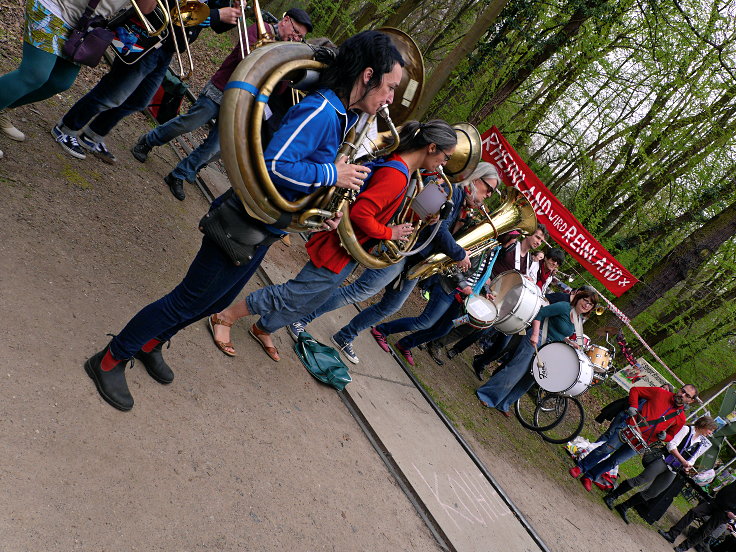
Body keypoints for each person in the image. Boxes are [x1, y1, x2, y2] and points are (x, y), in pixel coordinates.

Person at [83, 30, 405, 410]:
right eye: (389, 87)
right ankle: (110, 358)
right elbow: (275, 165)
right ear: (367, 75)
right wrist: (333, 176)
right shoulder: (322, 109)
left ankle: (150, 343)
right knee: (185, 300)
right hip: (241, 220)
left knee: (211, 302)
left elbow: (304, 171)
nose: (390, 99)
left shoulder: (341, 116)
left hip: (264, 226)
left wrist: (321, 210)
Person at [209, 119, 459, 361]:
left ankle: (264, 328)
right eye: (445, 157)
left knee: (312, 299)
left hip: (348, 251)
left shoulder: (402, 171)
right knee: (292, 294)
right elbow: (362, 213)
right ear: (432, 147)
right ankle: (225, 316)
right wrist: (389, 233)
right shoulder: (397, 175)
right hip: (339, 248)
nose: (443, 164)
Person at [265, 162, 501, 365]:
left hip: (415, 259)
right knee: (359, 291)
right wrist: (459, 253)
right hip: (403, 250)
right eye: (488, 189)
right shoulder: (451, 192)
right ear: (475, 179)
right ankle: (301, 318)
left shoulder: (464, 206)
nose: (487, 196)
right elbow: (436, 230)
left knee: (390, 307)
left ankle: (345, 335)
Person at [130, 8, 313, 200]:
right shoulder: (258, 30)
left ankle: (180, 174)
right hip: (222, 88)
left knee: (215, 146)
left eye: (300, 37)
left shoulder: (288, 51)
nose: (296, 38)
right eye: (296, 31)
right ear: (285, 20)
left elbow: (280, 91)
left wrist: (289, 73)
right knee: (188, 123)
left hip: (242, 103)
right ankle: (148, 141)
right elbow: (246, 60)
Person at [51, 0, 241, 163]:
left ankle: (93, 134)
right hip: (149, 34)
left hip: (168, 46)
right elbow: (177, 10)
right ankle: (66, 128)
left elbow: (220, 24)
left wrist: (234, 9)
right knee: (113, 92)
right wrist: (216, 15)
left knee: (139, 99)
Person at [0, 0, 157, 159]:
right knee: (35, 75)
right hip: (54, 8)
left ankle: (2, 108)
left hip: (84, 24)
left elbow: (145, 8)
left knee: (60, 81)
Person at [476, 286, 598, 417]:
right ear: (578, 298)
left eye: (591, 304)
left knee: (532, 378)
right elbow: (540, 314)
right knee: (517, 369)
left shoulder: (579, 319)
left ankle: (504, 403)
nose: (587, 304)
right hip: (537, 338)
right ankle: (487, 395)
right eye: (585, 300)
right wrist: (534, 334)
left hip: (550, 348)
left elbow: (560, 332)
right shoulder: (564, 307)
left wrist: (569, 342)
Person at [444, 226, 548, 376]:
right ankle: (440, 339)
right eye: (538, 237)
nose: (539, 242)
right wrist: (486, 280)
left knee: (474, 326)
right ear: (529, 234)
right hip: (484, 288)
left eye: (542, 240)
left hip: (497, 299)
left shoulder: (528, 262)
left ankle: (444, 341)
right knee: (465, 319)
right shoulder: (512, 245)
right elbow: (490, 260)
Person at [570, 384, 697, 492]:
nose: (682, 395)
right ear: (679, 389)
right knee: (606, 449)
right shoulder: (660, 393)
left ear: (690, 401)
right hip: (629, 427)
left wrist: (665, 436)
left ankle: (590, 476)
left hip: (641, 442)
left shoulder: (681, 419)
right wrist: (633, 406)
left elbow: (671, 436)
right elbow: (635, 390)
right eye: (682, 391)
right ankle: (581, 467)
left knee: (615, 461)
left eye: (687, 396)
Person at [606, 415, 717, 523]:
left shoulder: (701, 442)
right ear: (704, 425)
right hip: (664, 460)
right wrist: (682, 460)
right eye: (710, 430)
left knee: (654, 492)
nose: (710, 433)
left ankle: (624, 506)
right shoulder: (686, 429)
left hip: (674, 469)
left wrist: (688, 466)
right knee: (640, 480)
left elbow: (693, 458)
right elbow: (671, 445)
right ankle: (612, 496)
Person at [658, 481, 736, 552]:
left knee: (705, 530)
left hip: (725, 513)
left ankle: (684, 547)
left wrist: (734, 514)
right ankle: (672, 534)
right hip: (716, 502)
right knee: (693, 512)